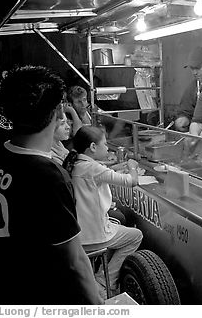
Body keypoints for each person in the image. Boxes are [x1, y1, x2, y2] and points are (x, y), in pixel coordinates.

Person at [0, 65, 101, 304]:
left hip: (0, 283)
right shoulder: (50, 176)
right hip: (40, 291)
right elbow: (75, 260)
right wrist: (98, 306)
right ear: (59, 113)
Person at [63, 126, 143, 298]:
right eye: (105, 144)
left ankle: (101, 276)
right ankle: (103, 281)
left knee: (118, 223)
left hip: (78, 232)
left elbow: (101, 170)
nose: (107, 148)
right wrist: (132, 166)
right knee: (136, 236)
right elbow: (131, 181)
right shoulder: (93, 169)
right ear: (92, 147)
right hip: (94, 235)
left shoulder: (75, 162)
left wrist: (115, 165)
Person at [175, 46, 202, 136]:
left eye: (198, 68)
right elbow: (186, 110)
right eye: (192, 68)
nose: (194, 72)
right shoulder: (193, 87)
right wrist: (182, 119)